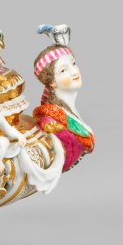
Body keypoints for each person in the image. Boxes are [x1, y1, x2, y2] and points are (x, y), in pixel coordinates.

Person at [33, 42, 94, 171]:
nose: (74, 71)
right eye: (63, 70)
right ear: (52, 81)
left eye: (73, 63)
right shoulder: (54, 124)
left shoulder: (67, 112)